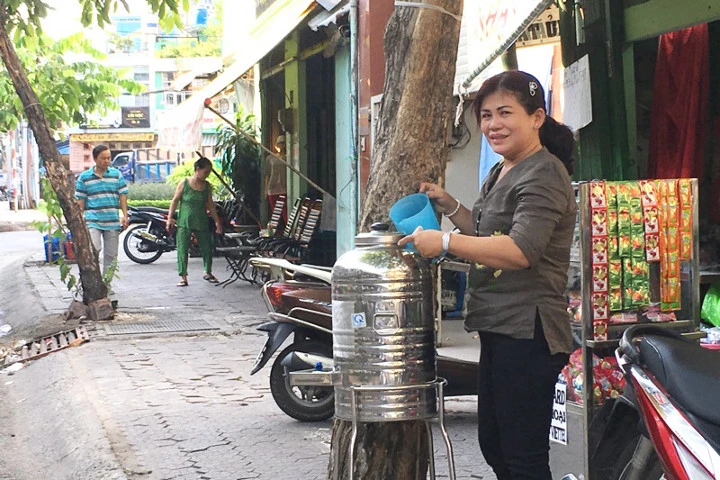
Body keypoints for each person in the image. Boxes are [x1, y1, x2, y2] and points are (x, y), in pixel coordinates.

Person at [399, 70, 576, 480]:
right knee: (494, 444)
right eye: (486, 115)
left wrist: (443, 242)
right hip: (498, 326)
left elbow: (519, 250)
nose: (493, 124)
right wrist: (452, 205)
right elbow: (486, 235)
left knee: (523, 454)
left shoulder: (544, 173)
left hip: (530, 330)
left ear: (536, 117)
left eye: (505, 113)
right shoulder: (502, 170)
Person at [167, 156, 222, 287]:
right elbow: (175, 200)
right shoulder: (184, 183)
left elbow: (211, 205)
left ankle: (208, 272)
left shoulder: (207, 186)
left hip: (201, 220)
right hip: (184, 221)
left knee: (207, 246)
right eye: (206, 172)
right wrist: (169, 218)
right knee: (182, 248)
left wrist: (217, 222)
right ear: (198, 169)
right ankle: (183, 277)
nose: (207, 175)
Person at [75, 144, 129, 276]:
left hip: (112, 220)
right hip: (93, 219)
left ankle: (106, 284)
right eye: (103, 158)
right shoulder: (84, 177)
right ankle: (94, 281)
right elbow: (80, 201)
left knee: (111, 255)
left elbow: (122, 196)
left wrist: (125, 215)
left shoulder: (116, 175)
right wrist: (78, 220)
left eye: (109, 158)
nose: (106, 161)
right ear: (95, 159)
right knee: (94, 249)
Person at [265, 135, 288, 225]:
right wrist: (266, 189)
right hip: (273, 188)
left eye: (283, 143)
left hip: (284, 188)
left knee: (285, 211)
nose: (282, 145)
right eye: (280, 143)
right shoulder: (271, 158)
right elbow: (267, 174)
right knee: (275, 214)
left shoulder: (289, 158)